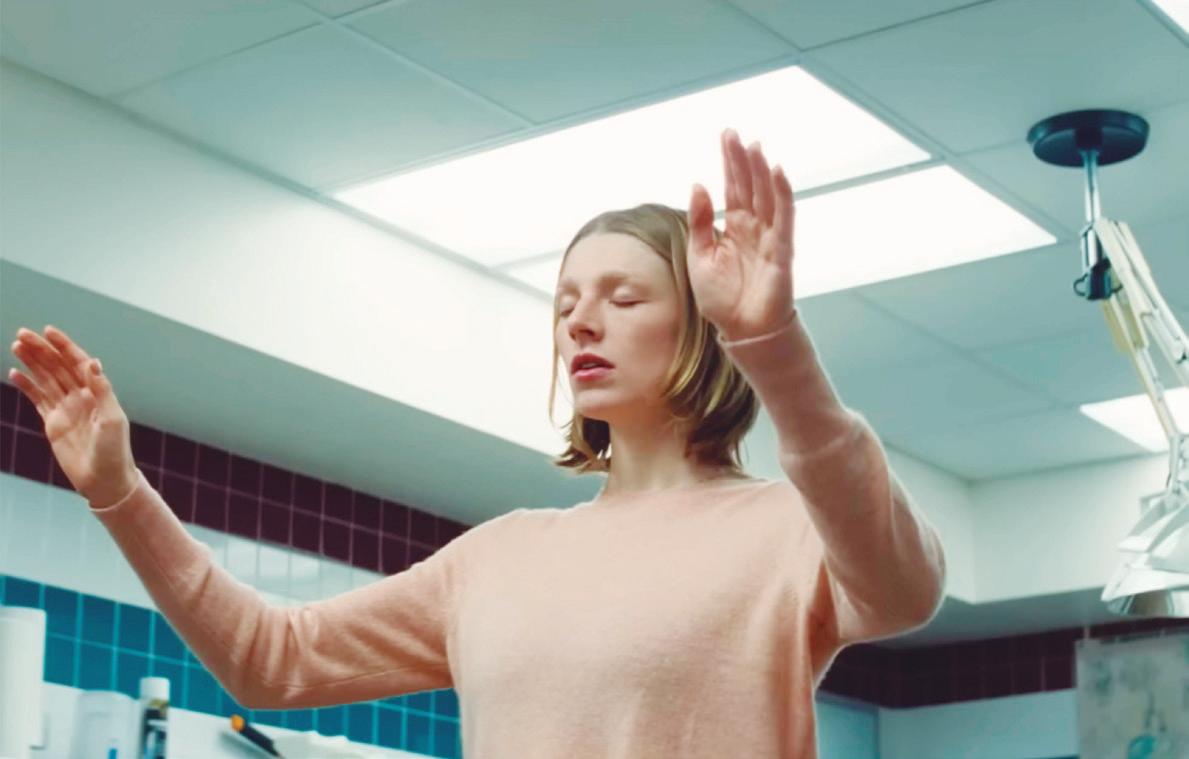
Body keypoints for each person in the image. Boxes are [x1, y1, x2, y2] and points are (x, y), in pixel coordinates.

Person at [7, 128, 946, 758]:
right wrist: (118, 489)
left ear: (703, 329)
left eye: (623, 298)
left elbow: (905, 588)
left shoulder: (785, 531)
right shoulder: (496, 559)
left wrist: (770, 343)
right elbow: (268, 659)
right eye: (566, 304)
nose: (581, 322)